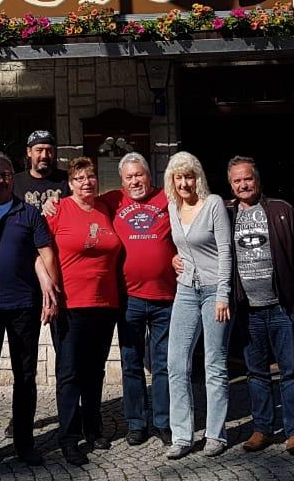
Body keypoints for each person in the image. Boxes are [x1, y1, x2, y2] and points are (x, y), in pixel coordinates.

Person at [0, 152, 60, 468]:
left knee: (25, 377)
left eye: (6, 173)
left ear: (13, 176)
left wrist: (50, 291)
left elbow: (45, 252)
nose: (1, 179)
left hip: (24, 306)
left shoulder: (29, 212)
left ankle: (24, 443)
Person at [227, 156, 294, 458]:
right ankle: (262, 429)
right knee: (256, 373)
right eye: (237, 180)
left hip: (280, 308)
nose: (243, 184)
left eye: (247, 178)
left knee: (290, 371)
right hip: (247, 311)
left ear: (257, 180)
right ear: (230, 185)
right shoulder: (225, 214)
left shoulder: (281, 210)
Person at [45, 156, 124, 466]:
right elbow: (38, 248)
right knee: (69, 373)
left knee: (95, 370)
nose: (87, 182)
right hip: (70, 305)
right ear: (70, 184)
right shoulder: (59, 209)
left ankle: (93, 427)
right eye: (79, 178)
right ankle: (68, 437)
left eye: (91, 177)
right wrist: (47, 289)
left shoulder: (106, 208)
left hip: (105, 304)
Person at [101, 152, 177, 447]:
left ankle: (163, 422)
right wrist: (50, 203)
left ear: (150, 175)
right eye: (129, 177)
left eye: (140, 175)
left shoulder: (167, 198)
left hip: (165, 298)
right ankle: (136, 423)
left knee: (162, 364)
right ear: (122, 181)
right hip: (129, 298)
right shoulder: (112, 201)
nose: (135, 181)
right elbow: (80, 206)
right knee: (131, 363)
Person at [164, 151, 232, 460]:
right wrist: (174, 258)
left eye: (188, 176)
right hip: (186, 291)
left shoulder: (213, 204)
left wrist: (223, 293)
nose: (184, 183)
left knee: (214, 363)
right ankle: (182, 436)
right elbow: (180, 246)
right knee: (176, 363)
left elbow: (225, 251)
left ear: (198, 177)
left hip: (213, 291)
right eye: (178, 177)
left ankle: (216, 434)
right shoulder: (172, 207)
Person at [12, 130, 69, 211]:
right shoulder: (15, 182)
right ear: (29, 152)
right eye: (39, 150)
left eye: (49, 150)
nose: (44, 155)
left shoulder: (66, 179)